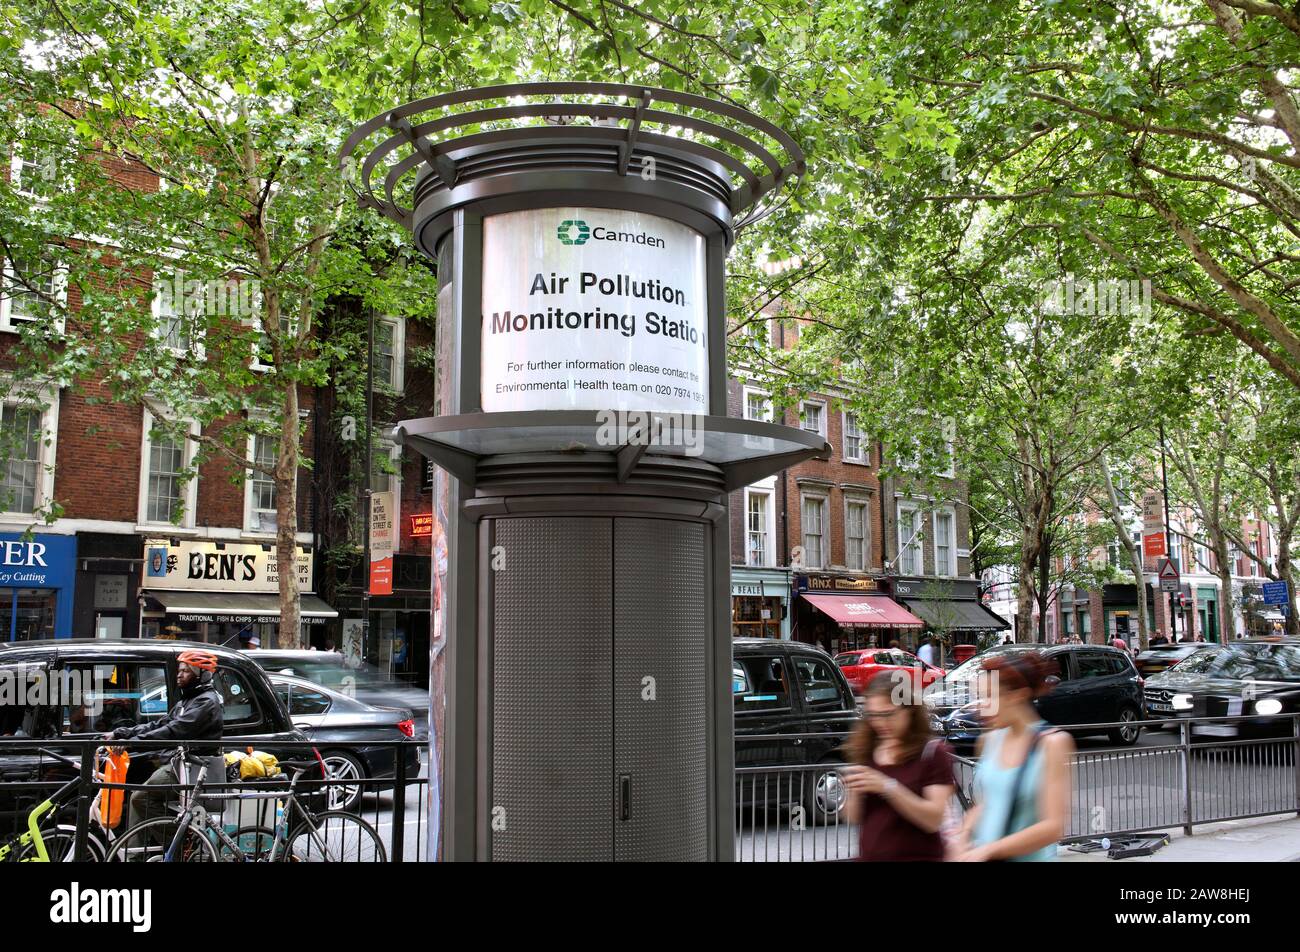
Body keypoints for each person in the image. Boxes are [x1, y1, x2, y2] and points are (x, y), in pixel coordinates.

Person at [955, 651, 1074, 862]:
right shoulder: (990, 739)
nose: (983, 706)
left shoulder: (1052, 743)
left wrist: (990, 850)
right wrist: (963, 835)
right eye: (981, 697)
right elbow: (987, 803)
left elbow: (1053, 826)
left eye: (990, 696)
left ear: (1017, 695)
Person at [104, 649, 224, 833]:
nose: (179, 675)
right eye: (180, 670)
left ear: (202, 675)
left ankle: (176, 847)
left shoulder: (206, 702)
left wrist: (131, 742)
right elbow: (159, 724)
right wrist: (121, 733)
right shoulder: (188, 700)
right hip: (180, 763)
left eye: (186, 671)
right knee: (136, 796)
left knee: (140, 798)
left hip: (194, 766)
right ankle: (135, 855)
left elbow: (174, 731)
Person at [841, 672, 955, 861]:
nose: (880, 723)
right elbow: (854, 817)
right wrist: (852, 790)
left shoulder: (932, 753)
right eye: (873, 715)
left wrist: (888, 787)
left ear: (908, 709)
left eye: (888, 714)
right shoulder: (867, 748)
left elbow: (933, 820)